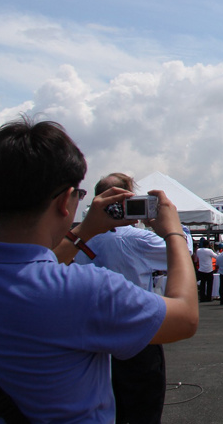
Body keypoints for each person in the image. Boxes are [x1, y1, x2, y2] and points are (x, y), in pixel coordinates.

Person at [0, 117, 198, 422]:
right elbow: (185, 318)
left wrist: (87, 230)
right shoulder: (88, 290)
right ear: (66, 200)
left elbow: (29, 267)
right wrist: (174, 233)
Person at [74, 172, 192, 424]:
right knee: (142, 412)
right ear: (129, 199)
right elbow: (183, 251)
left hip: (92, 339)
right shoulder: (137, 239)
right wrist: (173, 227)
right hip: (137, 333)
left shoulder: (79, 240)